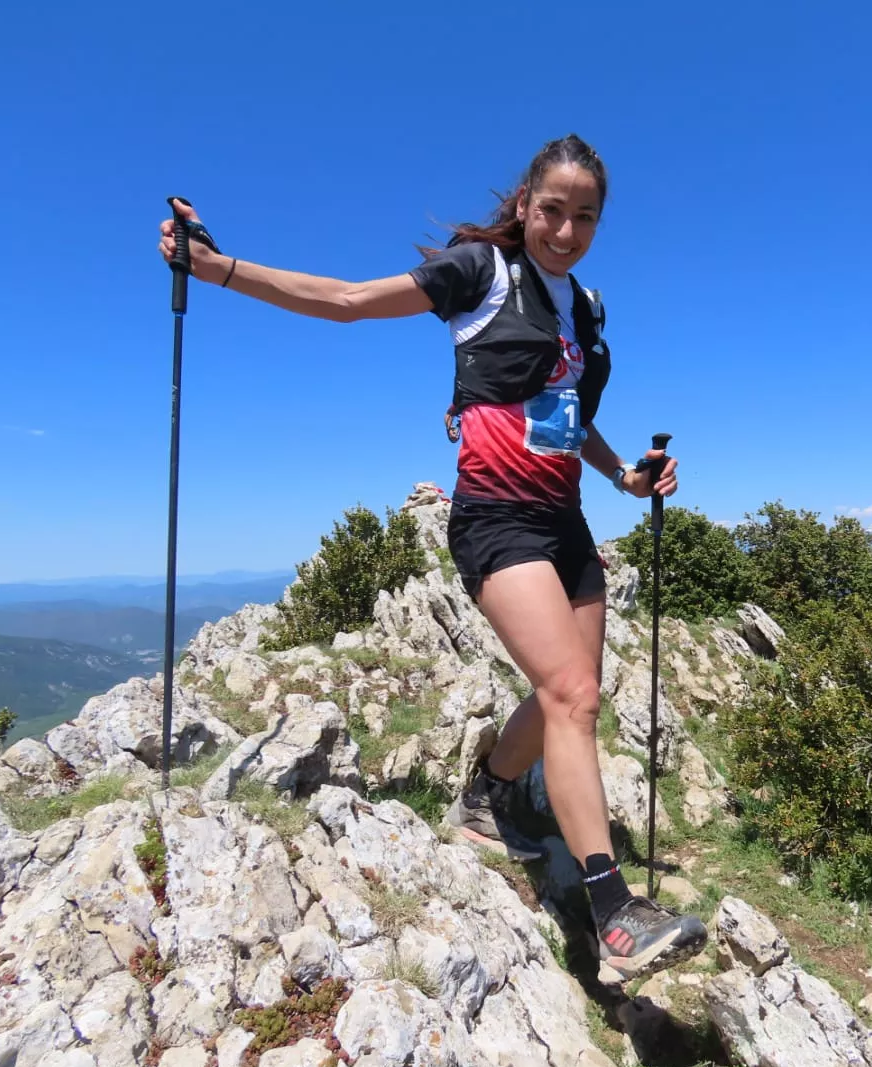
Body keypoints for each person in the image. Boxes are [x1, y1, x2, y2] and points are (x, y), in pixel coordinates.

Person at [157, 134, 707, 982]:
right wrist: (218, 267)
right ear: (524, 206)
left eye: (584, 215)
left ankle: (488, 795)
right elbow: (345, 300)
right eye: (552, 210)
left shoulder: (586, 307)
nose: (566, 228)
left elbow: (569, 417)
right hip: (497, 519)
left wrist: (628, 477)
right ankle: (613, 911)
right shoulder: (477, 276)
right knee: (572, 694)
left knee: (573, 693)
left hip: (567, 523)